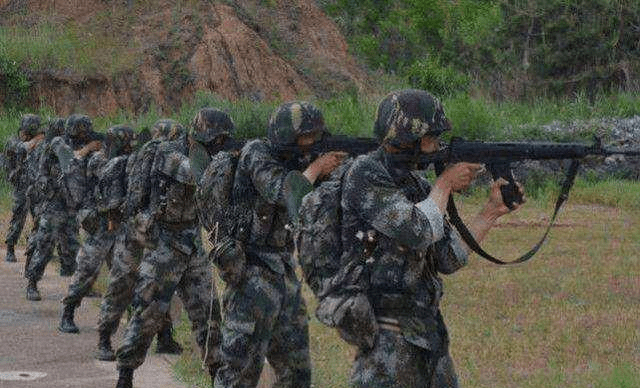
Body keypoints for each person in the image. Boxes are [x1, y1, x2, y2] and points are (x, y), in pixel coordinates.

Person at [338, 89, 525, 388]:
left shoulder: (414, 184)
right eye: (432, 137)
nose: (438, 145)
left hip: (427, 333)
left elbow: (448, 258)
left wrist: (490, 213)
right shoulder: (365, 174)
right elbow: (416, 230)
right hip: (386, 340)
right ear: (406, 139)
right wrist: (444, 184)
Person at [213, 101, 346, 388]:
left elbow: (325, 200)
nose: (312, 143)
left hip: (283, 271)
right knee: (239, 371)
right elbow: (281, 192)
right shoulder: (256, 153)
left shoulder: (299, 160)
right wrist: (317, 168)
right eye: (307, 136)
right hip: (250, 272)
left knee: (296, 371)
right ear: (287, 136)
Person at [114, 109, 228, 388]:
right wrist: (227, 162)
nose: (220, 146)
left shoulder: (210, 155)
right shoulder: (169, 152)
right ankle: (125, 375)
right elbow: (195, 175)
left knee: (209, 312)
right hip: (165, 245)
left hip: (192, 246)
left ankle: (217, 374)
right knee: (147, 315)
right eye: (218, 140)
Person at [95, 119, 185, 361]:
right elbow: (120, 199)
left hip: (160, 235)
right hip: (134, 232)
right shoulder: (136, 160)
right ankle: (104, 337)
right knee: (122, 284)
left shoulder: (174, 163)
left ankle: (165, 337)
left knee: (161, 287)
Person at [58, 125, 135, 334]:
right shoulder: (99, 160)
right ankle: (67, 313)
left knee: (126, 276)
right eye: (127, 145)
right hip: (101, 227)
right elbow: (110, 176)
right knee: (86, 273)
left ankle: (131, 320)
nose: (130, 148)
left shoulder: (127, 161)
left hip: (122, 227)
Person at [24, 114, 96, 301]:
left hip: (70, 206)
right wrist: (88, 149)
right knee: (45, 246)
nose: (86, 134)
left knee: (74, 248)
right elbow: (69, 161)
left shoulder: (79, 146)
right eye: (84, 130)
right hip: (54, 205)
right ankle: (32, 283)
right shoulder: (58, 142)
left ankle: (82, 286)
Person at [3, 114, 42, 263]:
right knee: (18, 219)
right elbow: (22, 148)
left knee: (39, 218)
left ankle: (34, 248)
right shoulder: (13, 142)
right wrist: (36, 140)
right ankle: (10, 248)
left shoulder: (36, 143)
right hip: (21, 186)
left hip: (35, 186)